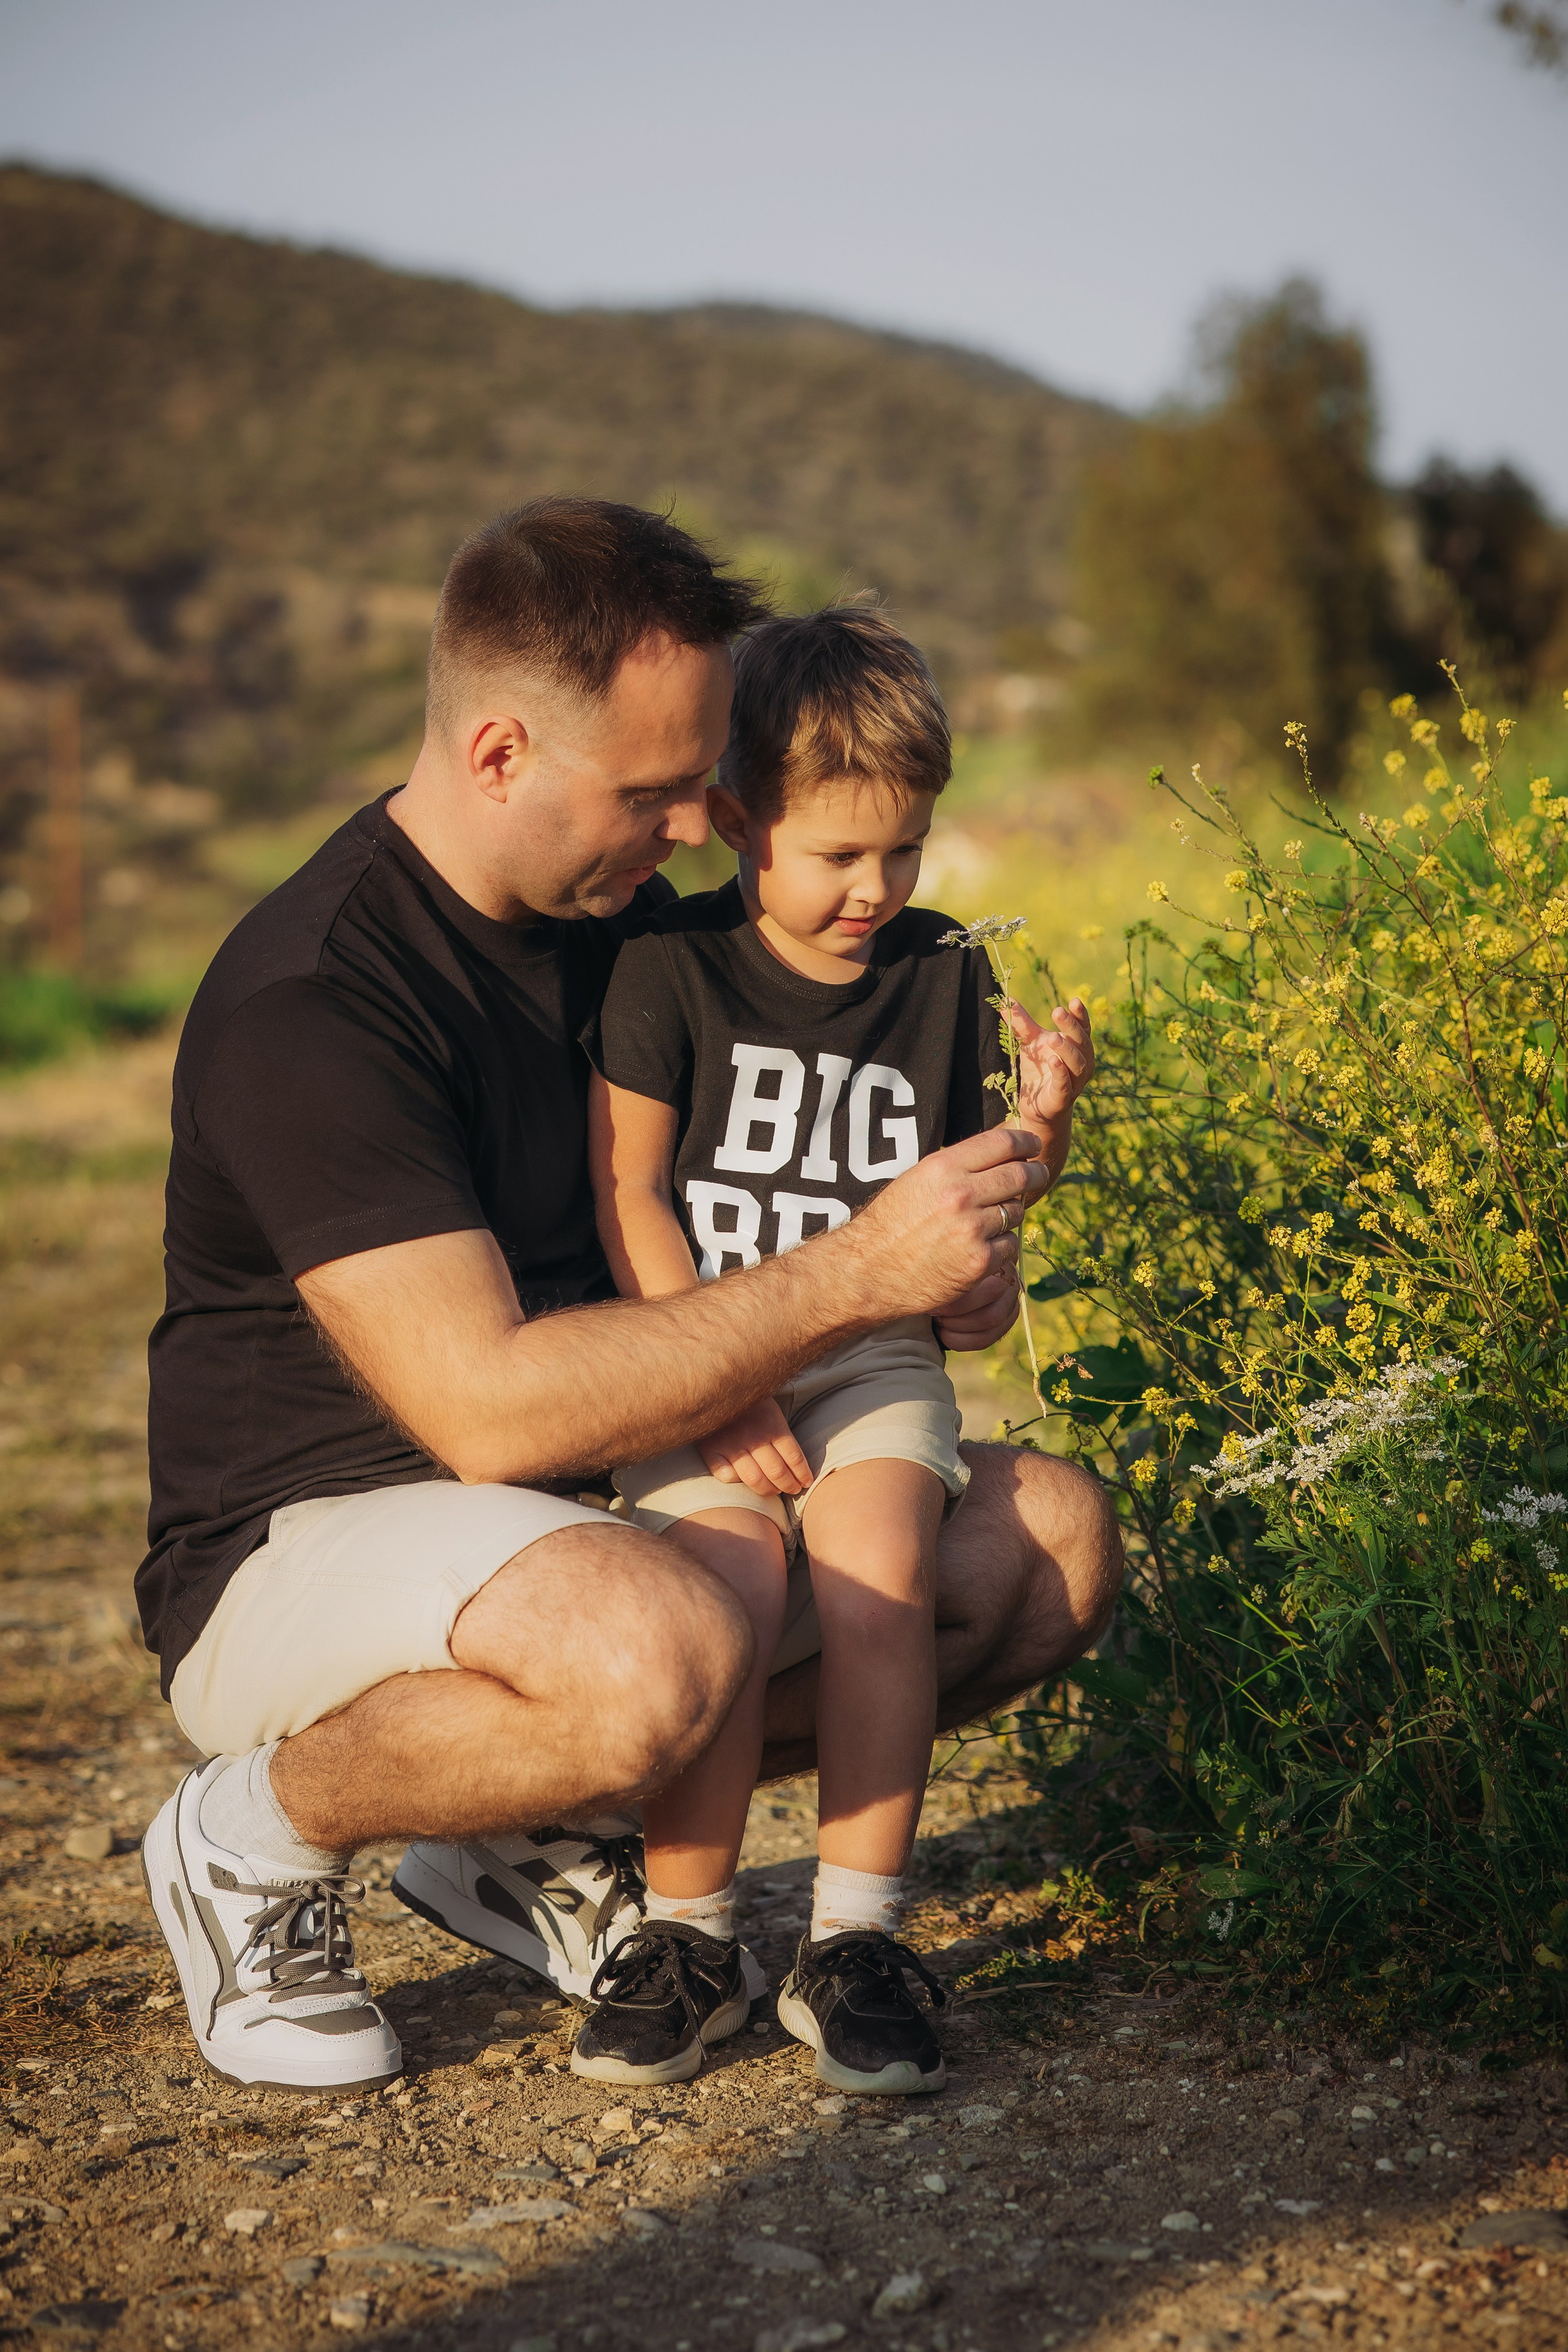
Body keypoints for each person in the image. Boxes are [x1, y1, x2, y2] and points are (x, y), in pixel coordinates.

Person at [136, 497, 1121, 2095]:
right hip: (304, 1543)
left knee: (1042, 1553)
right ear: (504, 753)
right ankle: (253, 1831)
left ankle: (524, 1831)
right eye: (656, 793)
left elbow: (820, 1198)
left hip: (574, 1519)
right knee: (650, 1647)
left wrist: (979, 1211)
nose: (689, 833)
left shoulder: (634, 938)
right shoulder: (318, 1000)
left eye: (702, 789)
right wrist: (859, 1272)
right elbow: (485, 1408)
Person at [573, 605, 1094, 2094]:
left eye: (906, 851)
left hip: (869, 1360)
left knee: (877, 1578)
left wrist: (1031, 1158)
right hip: (698, 1345)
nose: (876, 891)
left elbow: (970, 1200)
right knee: (727, 1584)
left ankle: (854, 1936)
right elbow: (626, 1194)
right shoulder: (665, 966)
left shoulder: (939, 975)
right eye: (837, 855)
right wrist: (712, 1379)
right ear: (737, 819)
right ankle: (686, 1936)